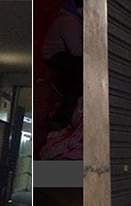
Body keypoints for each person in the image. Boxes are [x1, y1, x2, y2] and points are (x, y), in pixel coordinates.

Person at [41, 0, 83, 130]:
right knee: (80, 77)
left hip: (58, 52)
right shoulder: (70, 22)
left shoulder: (71, 17)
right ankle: (63, 118)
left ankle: (63, 82)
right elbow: (77, 51)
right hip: (53, 56)